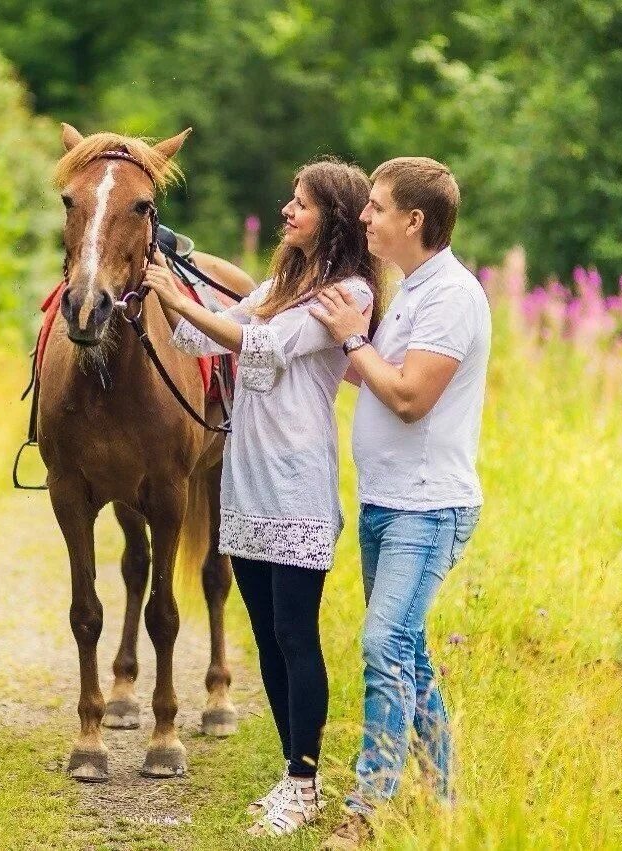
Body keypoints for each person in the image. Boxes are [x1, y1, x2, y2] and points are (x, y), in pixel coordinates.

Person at [141, 157, 381, 837]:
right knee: (270, 640)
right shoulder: (282, 283)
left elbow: (264, 345)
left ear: (332, 215)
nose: (286, 211)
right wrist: (166, 287)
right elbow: (196, 335)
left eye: (300, 203)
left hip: (297, 482)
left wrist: (184, 299)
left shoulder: (349, 294)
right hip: (246, 480)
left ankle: (305, 783)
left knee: (296, 634)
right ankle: (292, 775)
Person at [309, 157, 491, 848]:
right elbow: (374, 373)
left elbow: (412, 398)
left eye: (378, 207)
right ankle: (441, 799)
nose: (364, 217)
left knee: (384, 642)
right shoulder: (413, 289)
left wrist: (355, 336)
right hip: (387, 502)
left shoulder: (451, 296)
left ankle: (367, 810)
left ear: (414, 220)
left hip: (428, 506)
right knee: (408, 650)